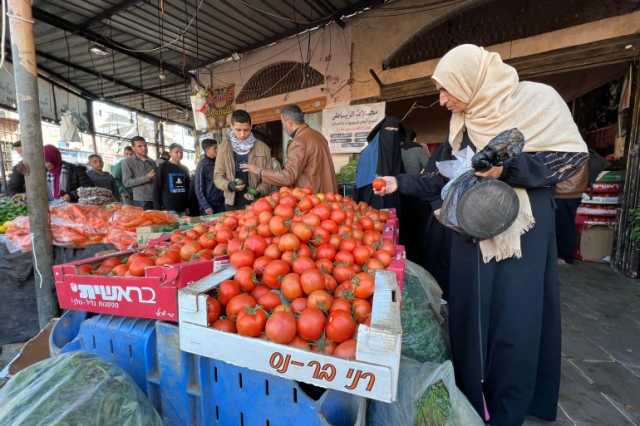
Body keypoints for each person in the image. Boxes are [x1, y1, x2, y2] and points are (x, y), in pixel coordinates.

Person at [375, 45, 588, 426]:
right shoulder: (465, 121)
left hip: (521, 234)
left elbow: (568, 160)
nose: (441, 100)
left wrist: (509, 169)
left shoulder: (538, 101)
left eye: (445, 89)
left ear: (471, 80)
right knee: (469, 314)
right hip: (469, 233)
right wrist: (397, 182)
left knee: (513, 320)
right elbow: (445, 176)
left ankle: (508, 409)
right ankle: (475, 399)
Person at [242, 104, 337, 193]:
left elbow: (288, 177)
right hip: (328, 194)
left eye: (283, 123)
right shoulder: (318, 135)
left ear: (290, 123)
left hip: (312, 198)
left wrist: (259, 171)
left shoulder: (299, 142)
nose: (284, 127)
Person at [214, 110, 272, 211]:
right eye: (238, 130)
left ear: (251, 126)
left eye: (246, 130)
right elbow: (217, 176)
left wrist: (257, 191)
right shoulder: (223, 147)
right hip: (231, 203)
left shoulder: (263, 148)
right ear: (231, 126)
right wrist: (229, 185)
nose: (242, 134)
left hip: (256, 203)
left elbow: (269, 177)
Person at [122, 136, 157, 210]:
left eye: (145, 145)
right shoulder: (127, 162)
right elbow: (127, 182)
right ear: (133, 148)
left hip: (155, 198)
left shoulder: (152, 162)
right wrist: (147, 177)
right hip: (141, 200)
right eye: (140, 146)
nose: (144, 148)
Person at [153, 143, 190, 214]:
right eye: (176, 152)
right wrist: (157, 208)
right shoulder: (163, 167)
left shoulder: (185, 169)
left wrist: (187, 205)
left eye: (181, 152)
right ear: (170, 153)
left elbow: (187, 188)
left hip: (182, 206)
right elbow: (157, 188)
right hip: (168, 207)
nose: (179, 154)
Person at [194, 139, 225, 215]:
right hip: (210, 206)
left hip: (222, 204)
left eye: (218, 147)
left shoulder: (218, 163)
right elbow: (199, 189)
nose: (217, 150)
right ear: (207, 149)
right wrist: (206, 206)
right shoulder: (202, 165)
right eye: (215, 148)